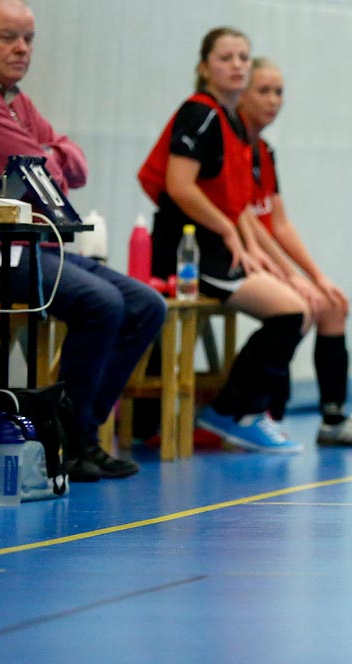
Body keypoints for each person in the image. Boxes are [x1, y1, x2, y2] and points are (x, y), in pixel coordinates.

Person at [0, 0, 165, 481]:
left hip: (27, 248)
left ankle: (77, 431)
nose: (22, 49)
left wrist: (46, 155)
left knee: (146, 305)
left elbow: (69, 169)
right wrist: (47, 153)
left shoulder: (12, 98)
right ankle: (70, 440)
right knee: (103, 304)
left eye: (29, 39)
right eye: (8, 37)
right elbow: (43, 171)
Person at [138, 27, 309, 454]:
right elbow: (180, 186)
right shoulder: (200, 113)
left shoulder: (233, 123)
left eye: (243, 58)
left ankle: (251, 409)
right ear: (203, 67)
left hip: (217, 246)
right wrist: (230, 231)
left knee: (300, 307)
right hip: (188, 249)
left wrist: (258, 252)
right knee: (291, 311)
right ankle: (235, 411)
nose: (236, 66)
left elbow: (239, 206)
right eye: (226, 58)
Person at [236, 57, 352, 446]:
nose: (273, 101)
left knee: (332, 301)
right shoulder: (230, 146)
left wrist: (317, 276)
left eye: (279, 92)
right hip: (235, 255)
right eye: (263, 91)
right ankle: (255, 407)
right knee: (302, 306)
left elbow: (279, 223)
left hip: (263, 254)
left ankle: (333, 419)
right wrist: (292, 278)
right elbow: (243, 219)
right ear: (241, 95)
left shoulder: (263, 153)